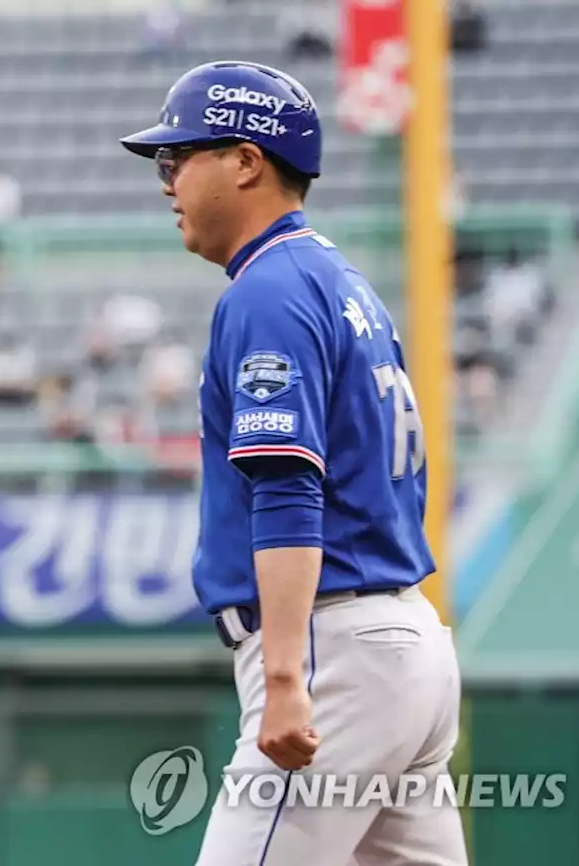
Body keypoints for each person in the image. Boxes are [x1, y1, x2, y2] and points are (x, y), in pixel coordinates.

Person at [120, 61, 467, 865]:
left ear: (246, 161)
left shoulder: (269, 289)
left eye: (180, 159)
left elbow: (287, 486)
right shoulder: (338, 280)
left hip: (333, 646)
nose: (166, 180)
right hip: (405, 640)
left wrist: (284, 678)